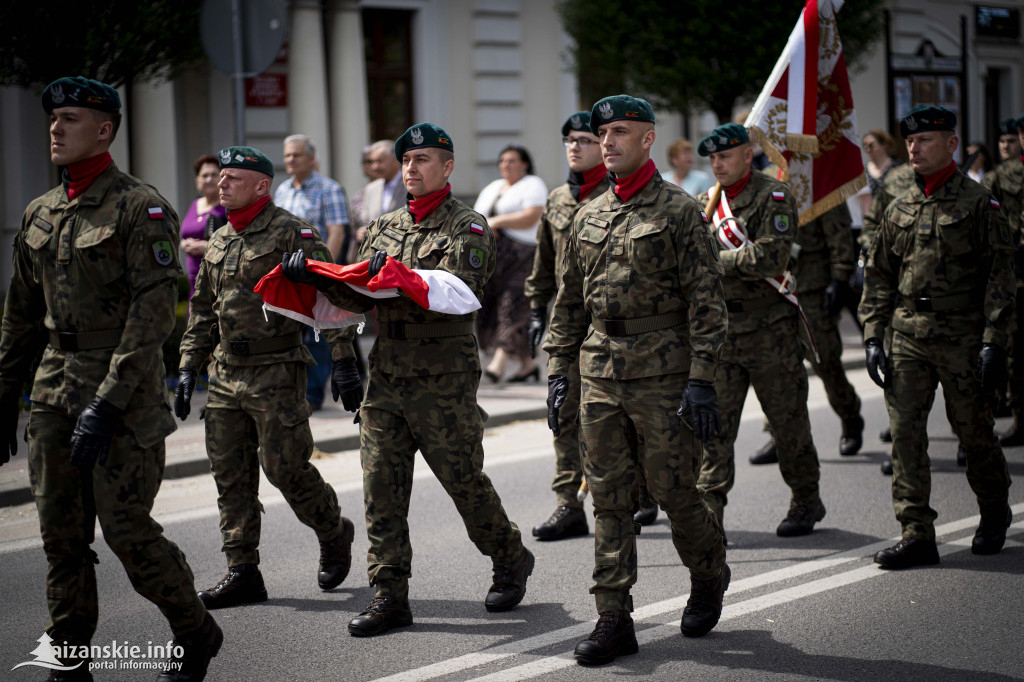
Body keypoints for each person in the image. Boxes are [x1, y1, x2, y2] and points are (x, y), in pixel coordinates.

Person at [0, 76, 221, 681]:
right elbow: (20, 315)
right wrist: (2, 400)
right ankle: (69, 660)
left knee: (127, 533)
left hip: (122, 400)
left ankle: (194, 628)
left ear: (104, 129)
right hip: (51, 392)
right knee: (61, 540)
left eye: (69, 119)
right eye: (52, 119)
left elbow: (152, 315)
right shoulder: (40, 212)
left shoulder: (140, 207)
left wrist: (107, 401)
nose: (54, 127)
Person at [280, 123, 534, 637]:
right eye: (407, 161)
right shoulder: (381, 226)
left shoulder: (470, 226)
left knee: (464, 483)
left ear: (448, 166)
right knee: (381, 490)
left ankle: (509, 555)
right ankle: (390, 594)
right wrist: (319, 279)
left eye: (424, 160)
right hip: (389, 376)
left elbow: (461, 290)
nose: (412, 168)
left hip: (444, 378)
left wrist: (397, 278)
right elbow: (359, 298)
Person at [545, 95, 730, 666]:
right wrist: (557, 370)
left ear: (648, 139)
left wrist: (702, 380)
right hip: (600, 368)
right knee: (608, 496)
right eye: (603, 133)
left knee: (675, 491)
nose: (608, 142)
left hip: (663, 372)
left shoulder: (679, 211)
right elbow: (569, 302)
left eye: (620, 132)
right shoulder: (586, 214)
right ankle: (613, 616)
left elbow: (707, 302)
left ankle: (708, 571)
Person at [175, 146, 358, 610]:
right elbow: (202, 310)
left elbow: (330, 292)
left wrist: (344, 360)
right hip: (224, 372)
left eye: (233, 177)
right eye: (221, 177)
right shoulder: (217, 238)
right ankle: (243, 571)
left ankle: (333, 530)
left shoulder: (292, 231)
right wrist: (187, 366)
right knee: (230, 474)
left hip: (276, 369)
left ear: (261, 185)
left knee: (285, 468)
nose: (222, 183)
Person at [860, 105, 1015, 569]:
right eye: (910, 141)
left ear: (951, 144)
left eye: (925, 140)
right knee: (906, 434)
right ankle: (916, 532)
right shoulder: (899, 202)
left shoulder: (977, 203)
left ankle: (993, 511)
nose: (914, 148)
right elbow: (881, 274)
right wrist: (872, 335)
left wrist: (994, 341)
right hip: (908, 334)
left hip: (962, 335)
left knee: (973, 430)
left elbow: (1000, 277)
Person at [695, 122, 826, 540]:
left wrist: (718, 262)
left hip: (771, 331)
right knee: (714, 431)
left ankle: (806, 499)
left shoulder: (774, 195)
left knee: (788, 425)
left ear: (747, 155)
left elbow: (771, 257)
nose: (717, 164)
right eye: (712, 158)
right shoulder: (704, 203)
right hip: (723, 332)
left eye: (725, 156)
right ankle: (710, 512)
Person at [524, 111, 611, 541]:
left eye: (584, 140)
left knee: (622, 414)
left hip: (613, 322)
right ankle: (568, 504)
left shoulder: (620, 194)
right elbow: (543, 261)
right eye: (568, 140)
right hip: (567, 324)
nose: (574, 147)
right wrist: (537, 308)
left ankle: (639, 493)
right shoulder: (558, 199)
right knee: (562, 412)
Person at [750, 203, 864, 465]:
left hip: (813, 289)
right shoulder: (769, 184)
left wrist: (839, 278)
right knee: (777, 367)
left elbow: (838, 235)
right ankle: (778, 436)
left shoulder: (818, 182)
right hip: (776, 288)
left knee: (825, 361)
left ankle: (850, 415)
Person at [274, 134, 352, 409]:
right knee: (292, 331)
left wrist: (324, 271)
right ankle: (295, 388)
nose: (290, 160)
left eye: (296, 155)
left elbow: (337, 232)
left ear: (311, 158)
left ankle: (314, 393)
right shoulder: (282, 190)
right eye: (287, 156)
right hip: (288, 273)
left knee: (318, 333)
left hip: (316, 272)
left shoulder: (328, 189)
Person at [474, 145, 548, 383]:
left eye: (512, 161)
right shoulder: (493, 188)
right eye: (502, 161)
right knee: (494, 306)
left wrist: (496, 222)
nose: (506, 165)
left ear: (524, 164)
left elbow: (532, 215)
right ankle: (528, 365)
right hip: (495, 258)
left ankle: (499, 363)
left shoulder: (533, 184)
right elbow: (477, 217)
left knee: (514, 305)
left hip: (524, 256)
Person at [982, 113, 1024, 447]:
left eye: (1015, 138)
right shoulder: (999, 177)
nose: (1010, 144)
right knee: (1015, 352)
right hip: (1016, 274)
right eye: (1007, 139)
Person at [181, 154, 227, 299]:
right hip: (194, 281)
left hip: (217, 282)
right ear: (197, 181)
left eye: (214, 175)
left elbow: (237, 243)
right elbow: (184, 236)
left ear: (221, 179)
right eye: (204, 175)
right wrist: (185, 244)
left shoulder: (227, 207)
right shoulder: (195, 204)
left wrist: (205, 247)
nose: (209, 179)